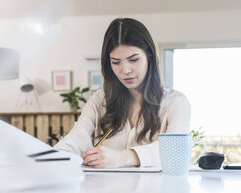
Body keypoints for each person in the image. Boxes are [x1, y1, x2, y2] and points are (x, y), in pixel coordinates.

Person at [54, 18, 191, 168]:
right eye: (116, 62)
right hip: (103, 190)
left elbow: (176, 152)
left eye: (133, 59)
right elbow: (76, 139)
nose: (125, 70)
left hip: (155, 191)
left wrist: (123, 158)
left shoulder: (176, 103)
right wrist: (56, 156)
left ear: (149, 57)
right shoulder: (100, 100)